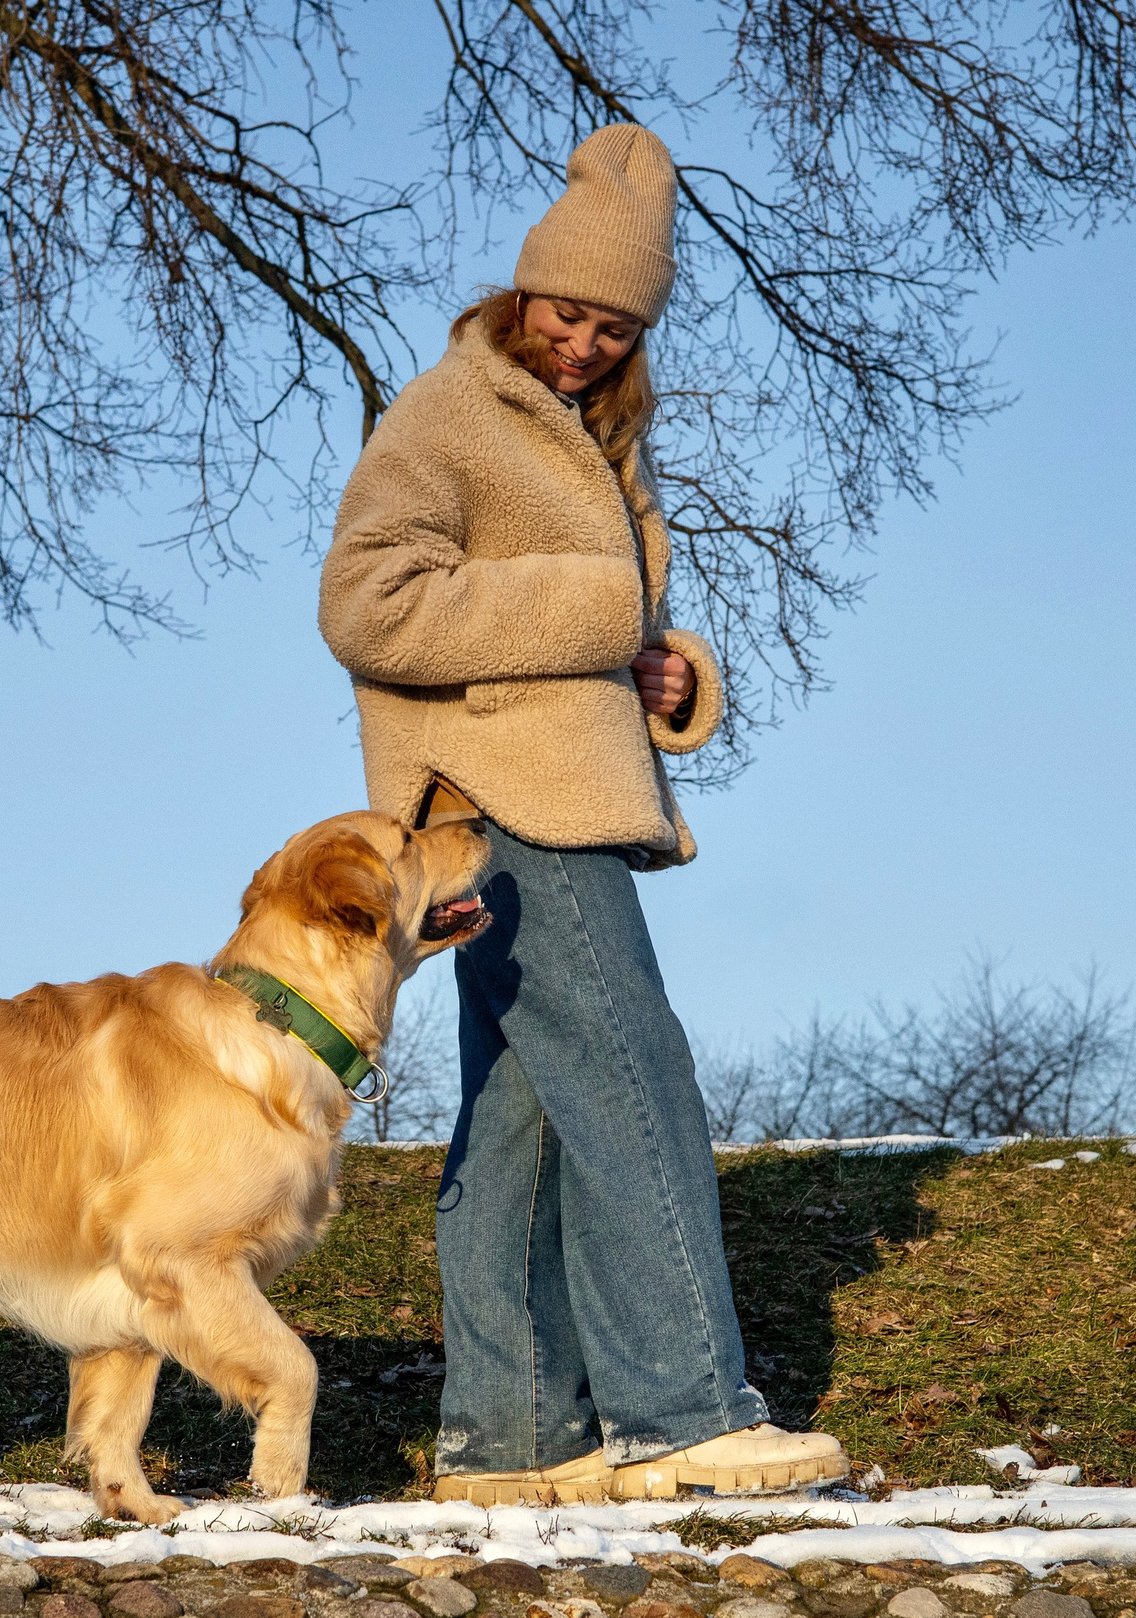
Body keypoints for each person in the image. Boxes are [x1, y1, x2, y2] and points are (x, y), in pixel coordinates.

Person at [318, 124, 850, 1504]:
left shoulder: (592, 439)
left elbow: (600, 638)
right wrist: (602, 611)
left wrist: (665, 669)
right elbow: (366, 603)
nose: (585, 343)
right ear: (522, 292)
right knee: (631, 1072)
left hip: (546, 792)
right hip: (500, 797)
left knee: (523, 1116)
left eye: (615, 327)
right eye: (568, 311)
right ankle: (681, 1410)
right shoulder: (451, 410)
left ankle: (509, 1439)